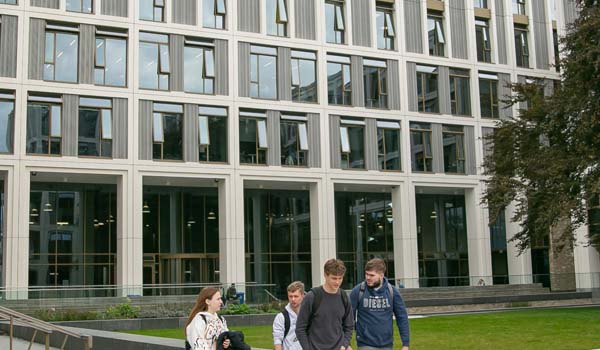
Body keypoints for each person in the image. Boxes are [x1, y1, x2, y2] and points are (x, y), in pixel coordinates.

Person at [350, 258, 410, 350]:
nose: (368, 278)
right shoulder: (358, 291)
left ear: (381, 275)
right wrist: (347, 343)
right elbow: (348, 318)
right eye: (366, 274)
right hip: (365, 343)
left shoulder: (392, 292)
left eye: (371, 275)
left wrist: (405, 343)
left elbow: (402, 318)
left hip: (387, 344)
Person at [296, 258, 354, 350]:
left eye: (340, 278)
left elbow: (349, 326)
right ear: (325, 275)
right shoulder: (312, 297)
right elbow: (300, 328)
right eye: (334, 278)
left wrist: (344, 344)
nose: (337, 282)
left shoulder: (344, 297)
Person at [272, 281, 305, 350]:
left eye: (296, 296)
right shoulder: (281, 317)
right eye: (290, 296)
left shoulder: (309, 315)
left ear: (302, 296)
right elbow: (277, 341)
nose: (293, 299)